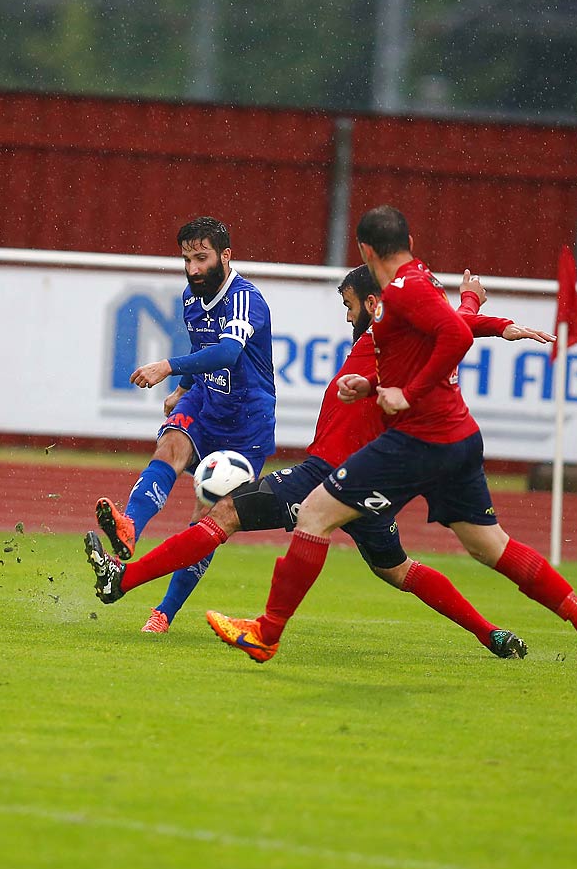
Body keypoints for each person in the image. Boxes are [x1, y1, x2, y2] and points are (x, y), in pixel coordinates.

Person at [206, 206, 577, 687]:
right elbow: (437, 330)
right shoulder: (415, 280)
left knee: (316, 515)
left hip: (419, 439)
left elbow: (453, 335)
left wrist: (410, 393)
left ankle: (266, 632)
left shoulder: (404, 288)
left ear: (365, 250)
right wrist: (374, 383)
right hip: (457, 438)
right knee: (490, 546)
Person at [85, 264, 551, 659]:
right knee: (398, 570)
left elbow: (449, 324)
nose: (347, 315)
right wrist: (488, 318)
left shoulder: (386, 342)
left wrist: (476, 309)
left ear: (373, 304)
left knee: (223, 512)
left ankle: (122, 580)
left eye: (349, 305)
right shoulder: (409, 345)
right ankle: (491, 633)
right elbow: (452, 325)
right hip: (369, 483)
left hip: (330, 475)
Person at [92, 216, 276, 633]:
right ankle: (129, 527)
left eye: (202, 258)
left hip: (247, 425)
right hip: (206, 403)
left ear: (226, 256)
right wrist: (185, 387)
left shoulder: (246, 299)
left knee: (207, 519)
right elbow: (202, 348)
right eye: (186, 259)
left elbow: (228, 353)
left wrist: (168, 368)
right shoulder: (191, 298)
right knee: (171, 446)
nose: (193, 269)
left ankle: (164, 612)